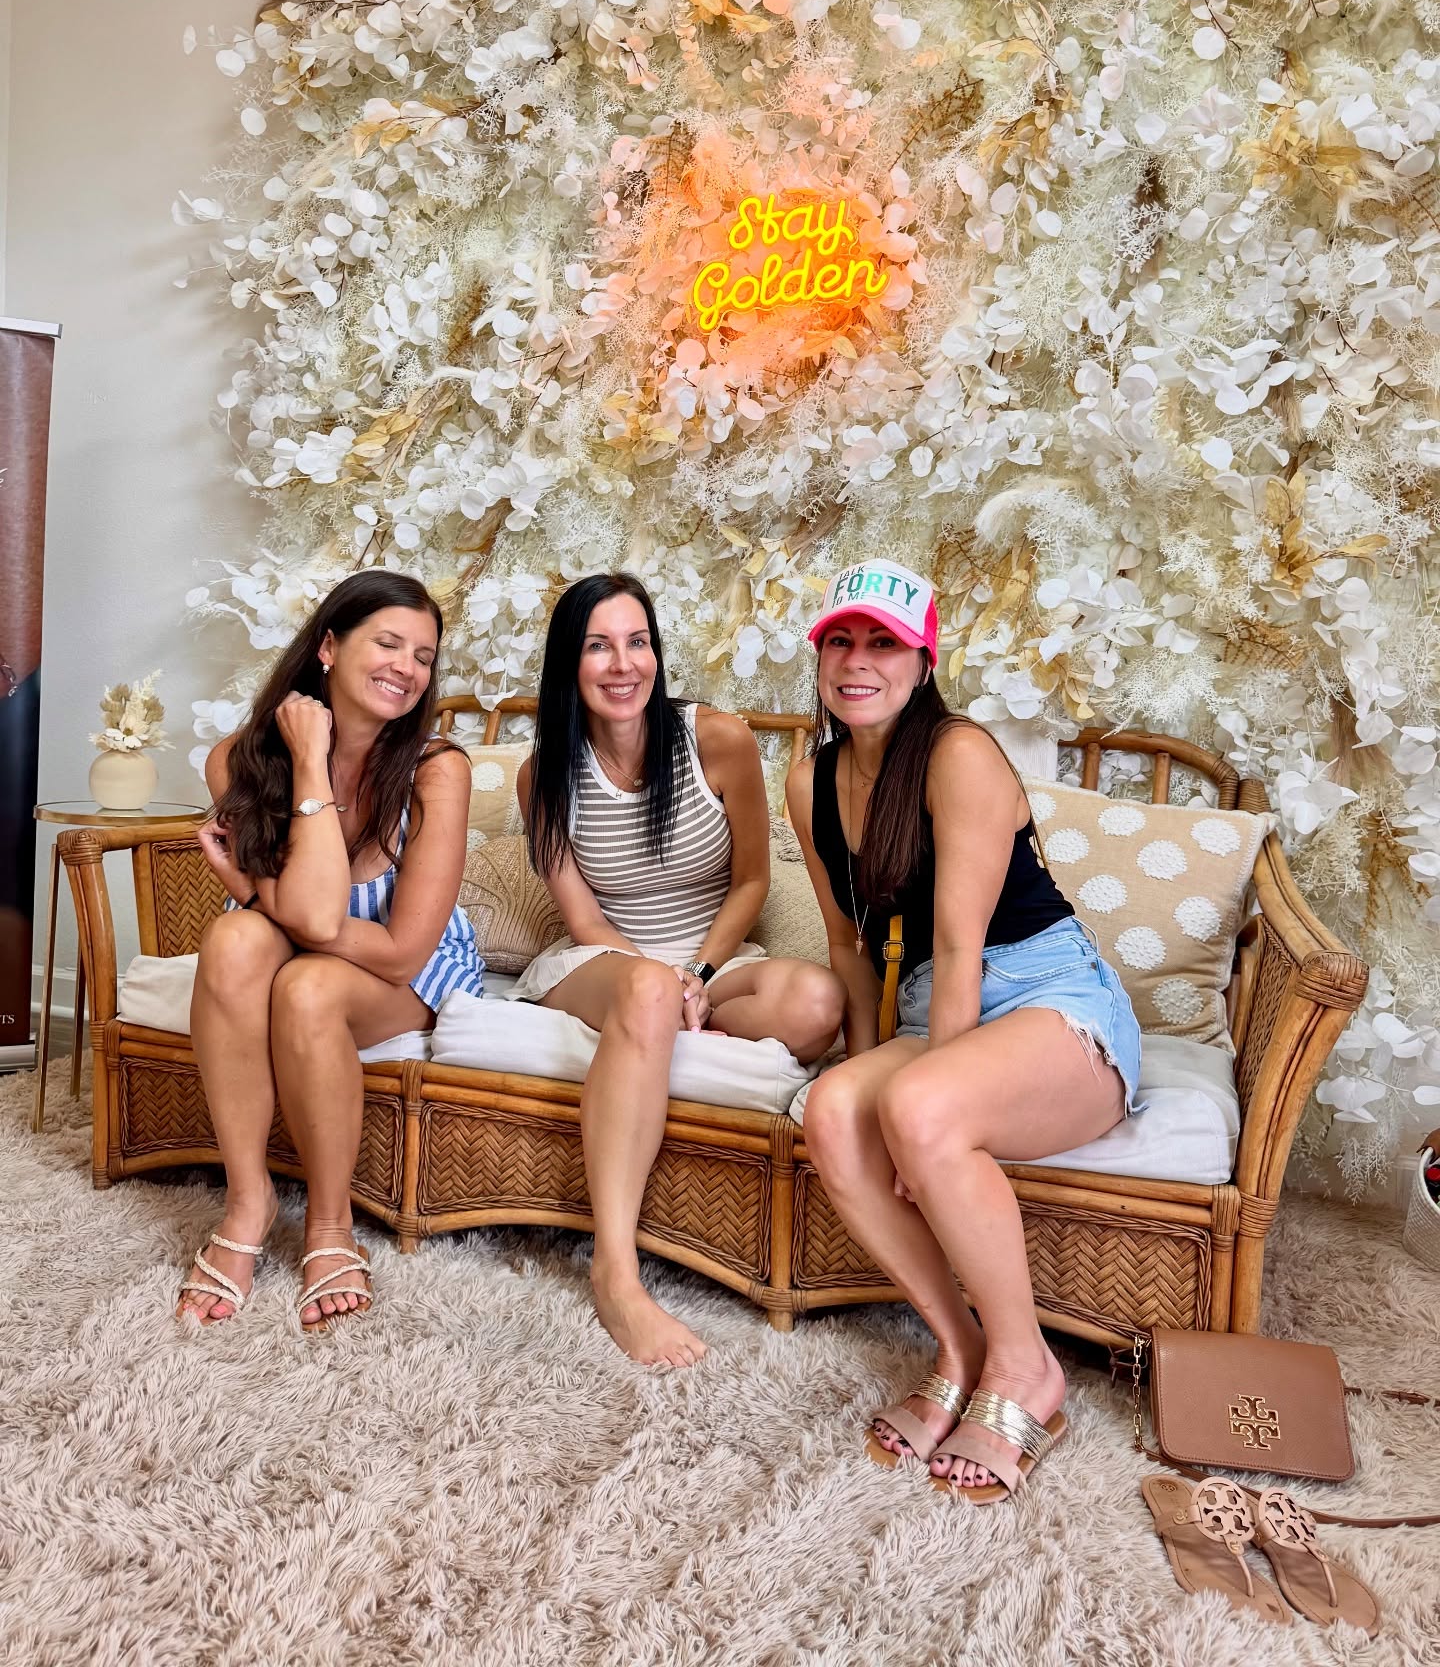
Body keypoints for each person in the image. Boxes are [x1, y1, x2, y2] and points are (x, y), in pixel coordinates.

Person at [786, 557, 1142, 1502]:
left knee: (919, 1106)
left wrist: (914, 1114)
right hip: (937, 1003)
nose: (859, 662)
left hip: (1049, 997)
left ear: (922, 659)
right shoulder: (810, 778)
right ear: (820, 656)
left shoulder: (958, 755)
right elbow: (847, 944)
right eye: (841, 641)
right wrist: (870, 1076)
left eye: (884, 644)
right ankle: (961, 1346)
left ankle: (1028, 1371)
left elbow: (961, 943)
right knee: (828, 1110)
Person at [514, 572, 845, 1369]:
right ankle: (615, 1271)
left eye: (638, 642)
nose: (623, 664)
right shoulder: (543, 775)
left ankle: (664, 1013)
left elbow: (752, 883)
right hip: (600, 961)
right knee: (646, 988)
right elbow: (584, 919)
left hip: (709, 959)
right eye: (598, 646)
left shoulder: (715, 740)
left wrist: (695, 974)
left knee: (814, 1001)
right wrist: (656, 982)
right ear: (570, 663)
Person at [178, 570, 480, 1332]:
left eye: (423, 656)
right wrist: (306, 763)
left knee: (306, 983)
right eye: (388, 643)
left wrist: (255, 885)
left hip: (404, 966)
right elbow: (305, 914)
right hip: (294, 938)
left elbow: (401, 947)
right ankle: (248, 1204)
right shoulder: (238, 760)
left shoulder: (437, 770)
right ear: (328, 647)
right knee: (234, 939)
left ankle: (329, 1225)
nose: (407, 668)